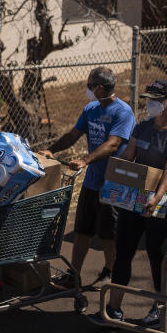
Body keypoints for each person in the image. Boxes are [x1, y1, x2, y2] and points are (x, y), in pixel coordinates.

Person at [89, 80, 167, 328]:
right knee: (124, 251)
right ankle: (114, 309)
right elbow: (127, 157)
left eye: (157, 100)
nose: (151, 104)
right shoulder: (142, 127)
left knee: (157, 255)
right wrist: (112, 181)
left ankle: (161, 307)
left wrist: (157, 197)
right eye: (149, 99)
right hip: (134, 199)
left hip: (163, 202)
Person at [38, 66, 135, 287]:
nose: (87, 90)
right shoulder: (91, 108)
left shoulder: (123, 112)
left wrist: (85, 160)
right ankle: (74, 274)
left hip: (113, 182)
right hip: (92, 182)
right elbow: (73, 135)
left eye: (89, 86)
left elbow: (113, 144)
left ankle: (110, 271)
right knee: (83, 229)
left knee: (108, 235)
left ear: (100, 88)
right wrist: (52, 150)